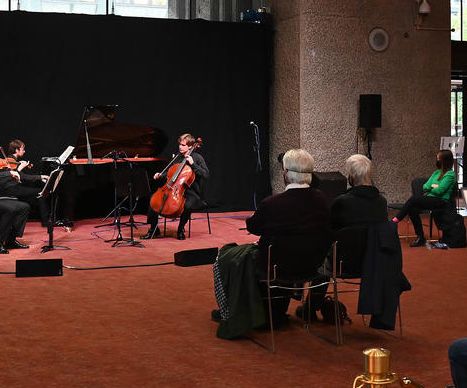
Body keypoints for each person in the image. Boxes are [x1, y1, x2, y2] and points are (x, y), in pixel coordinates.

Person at [212, 149, 331, 337]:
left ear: (286, 174)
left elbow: (254, 226)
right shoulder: (322, 200)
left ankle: (233, 312)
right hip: (311, 266)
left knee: (225, 256)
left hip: (275, 266)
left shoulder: (273, 203)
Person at [298, 154, 389, 319]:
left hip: (344, 263)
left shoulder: (342, 202)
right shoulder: (382, 202)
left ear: (351, 177)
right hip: (374, 262)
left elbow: (329, 231)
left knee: (321, 258)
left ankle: (309, 308)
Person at [141, 133, 209, 240]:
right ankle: (153, 229)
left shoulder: (197, 158)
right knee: (153, 200)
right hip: (173, 188)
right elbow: (169, 172)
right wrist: (160, 175)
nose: (180, 147)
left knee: (187, 206)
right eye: (180, 144)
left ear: (190, 146)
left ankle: (180, 229)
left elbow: (206, 174)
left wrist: (193, 164)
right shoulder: (177, 157)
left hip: (191, 191)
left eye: (183, 145)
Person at [393, 149, 456, 247]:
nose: (437, 160)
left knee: (414, 199)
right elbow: (425, 186)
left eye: (438, 159)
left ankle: (395, 221)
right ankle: (420, 237)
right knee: (412, 209)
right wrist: (434, 186)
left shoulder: (450, 174)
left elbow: (440, 191)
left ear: (444, 160)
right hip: (431, 199)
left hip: (441, 201)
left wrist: (432, 187)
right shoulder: (436, 173)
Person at [0, 140, 51, 225]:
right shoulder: (8, 161)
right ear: (17, 150)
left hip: (13, 187)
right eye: (22, 149)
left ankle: (42, 217)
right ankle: (46, 221)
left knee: (36, 193)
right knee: (40, 192)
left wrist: (41, 176)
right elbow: (19, 177)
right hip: (10, 189)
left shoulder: (14, 161)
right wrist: (41, 176)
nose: (24, 151)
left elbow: (22, 176)